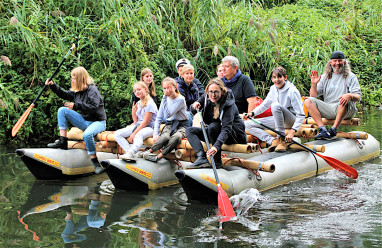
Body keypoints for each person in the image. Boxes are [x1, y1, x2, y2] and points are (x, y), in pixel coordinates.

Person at [45, 67, 106, 174]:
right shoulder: (77, 91)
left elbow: (94, 107)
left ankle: (95, 161)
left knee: (87, 135)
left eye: (73, 78)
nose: (71, 80)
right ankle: (63, 141)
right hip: (85, 121)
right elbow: (64, 94)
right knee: (62, 110)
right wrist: (52, 86)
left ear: (79, 79)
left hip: (98, 122)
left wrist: (76, 105)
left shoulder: (92, 90)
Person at [187, 78, 247, 168]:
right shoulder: (207, 97)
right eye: (211, 92)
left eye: (216, 92)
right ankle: (202, 157)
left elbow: (226, 129)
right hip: (214, 132)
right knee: (190, 131)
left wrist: (216, 147)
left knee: (213, 127)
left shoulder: (228, 105)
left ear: (222, 91)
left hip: (233, 135)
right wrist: (194, 105)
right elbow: (193, 110)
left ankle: (217, 162)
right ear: (207, 92)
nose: (213, 95)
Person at [244, 67, 305, 152]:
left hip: (291, 120)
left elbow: (301, 114)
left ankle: (281, 139)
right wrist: (252, 113)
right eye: (274, 77)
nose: (277, 80)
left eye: (279, 77)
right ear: (272, 78)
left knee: (275, 106)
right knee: (247, 124)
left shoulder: (292, 91)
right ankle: (272, 140)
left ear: (285, 77)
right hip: (278, 120)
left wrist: (292, 131)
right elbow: (264, 105)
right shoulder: (273, 88)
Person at [305, 51, 361, 140]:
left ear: (344, 61)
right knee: (308, 100)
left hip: (346, 110)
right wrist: (314, 84)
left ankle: (333, 129)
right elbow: (313, 95)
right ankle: (323, 129)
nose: (337, 63)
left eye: (340, 61)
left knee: (344, 98)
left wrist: (350, 95)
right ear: (330, 62)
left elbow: (358, 97)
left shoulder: (351, 77)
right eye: (335, 61)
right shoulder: (325, 77)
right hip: (329, 109)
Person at [141, 77, 189, 162]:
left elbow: (167, 114)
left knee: (176, 137)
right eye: (164, 88)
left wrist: (164, 98)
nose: (167, 90)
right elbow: (159, 117)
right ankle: (148, 152)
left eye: (169, 87)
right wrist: (155, 133)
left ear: (175, 87)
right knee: (165, 137)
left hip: (182, 124)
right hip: (170, 124)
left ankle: (158, 157)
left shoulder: (180, 99)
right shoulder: (166, 99)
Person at [114, 81, 158, 160]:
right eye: (135, 91)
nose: (137, 92)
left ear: (145, 89)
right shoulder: (138, 103)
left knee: (138, 135)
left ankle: (131, 152)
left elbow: (146, 122)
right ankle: (130, 152)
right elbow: (136, 121)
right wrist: (133, 112)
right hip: (139, 125)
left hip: (150, 128)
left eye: (139, 89)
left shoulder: (150, 103)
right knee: (117, 134)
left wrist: (134, 133)